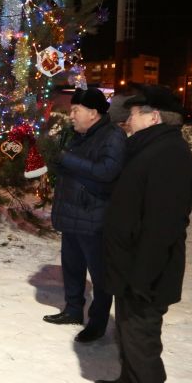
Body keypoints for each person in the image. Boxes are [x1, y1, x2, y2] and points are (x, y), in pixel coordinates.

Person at [96, 85, 192, 383]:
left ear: (154, 117)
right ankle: (129, 382)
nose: (129, 118)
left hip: (148, 273)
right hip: (132, 268)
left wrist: (142, 278)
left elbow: (162, 227)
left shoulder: (170, 155)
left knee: (142, 338)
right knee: (127, 330)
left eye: (135, 113)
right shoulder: (147, 148)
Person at [45, 87, 126, 343]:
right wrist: (54, 159)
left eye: (75, 110)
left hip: (94, 218)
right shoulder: (79, 134)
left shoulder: (112, 136)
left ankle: (98, 322)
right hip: (72, 213)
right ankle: (72, 310)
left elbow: (106, 172)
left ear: (93, 113)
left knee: (99, 274)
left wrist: (66, 159)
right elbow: (71, 166)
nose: (71, 115)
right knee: (72, 266)